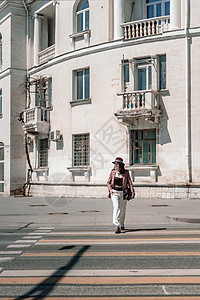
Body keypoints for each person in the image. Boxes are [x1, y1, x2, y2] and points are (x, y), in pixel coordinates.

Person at [107, 157, 135, 234]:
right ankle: (117, 225)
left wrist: (132, 192)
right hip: (114, 192)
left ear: (120, 165)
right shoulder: (113, 172)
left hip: (123, 193)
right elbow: (108, 182)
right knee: (117, 207)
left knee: (122, 210)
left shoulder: (126, 172)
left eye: (117, 164)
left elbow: (130, 183)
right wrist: (110, 190)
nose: (115, 166)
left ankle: (122, 224)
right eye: (115, 164)